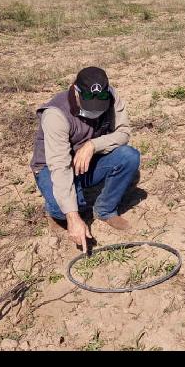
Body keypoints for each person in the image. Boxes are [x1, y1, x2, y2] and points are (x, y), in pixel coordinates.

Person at [30, 66, 140, 252]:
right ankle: (54, 212)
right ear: (75, 90)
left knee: (128, 156)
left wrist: (92, 145)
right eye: (90, 105)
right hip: (53, 168)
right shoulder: (55, 115)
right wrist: (72, 217)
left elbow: (124, 132)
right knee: (68, 207)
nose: (95, 112)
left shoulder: (112, 96)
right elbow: (60, 167)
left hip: (88, 162)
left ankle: (105, 210)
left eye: (100, 105)